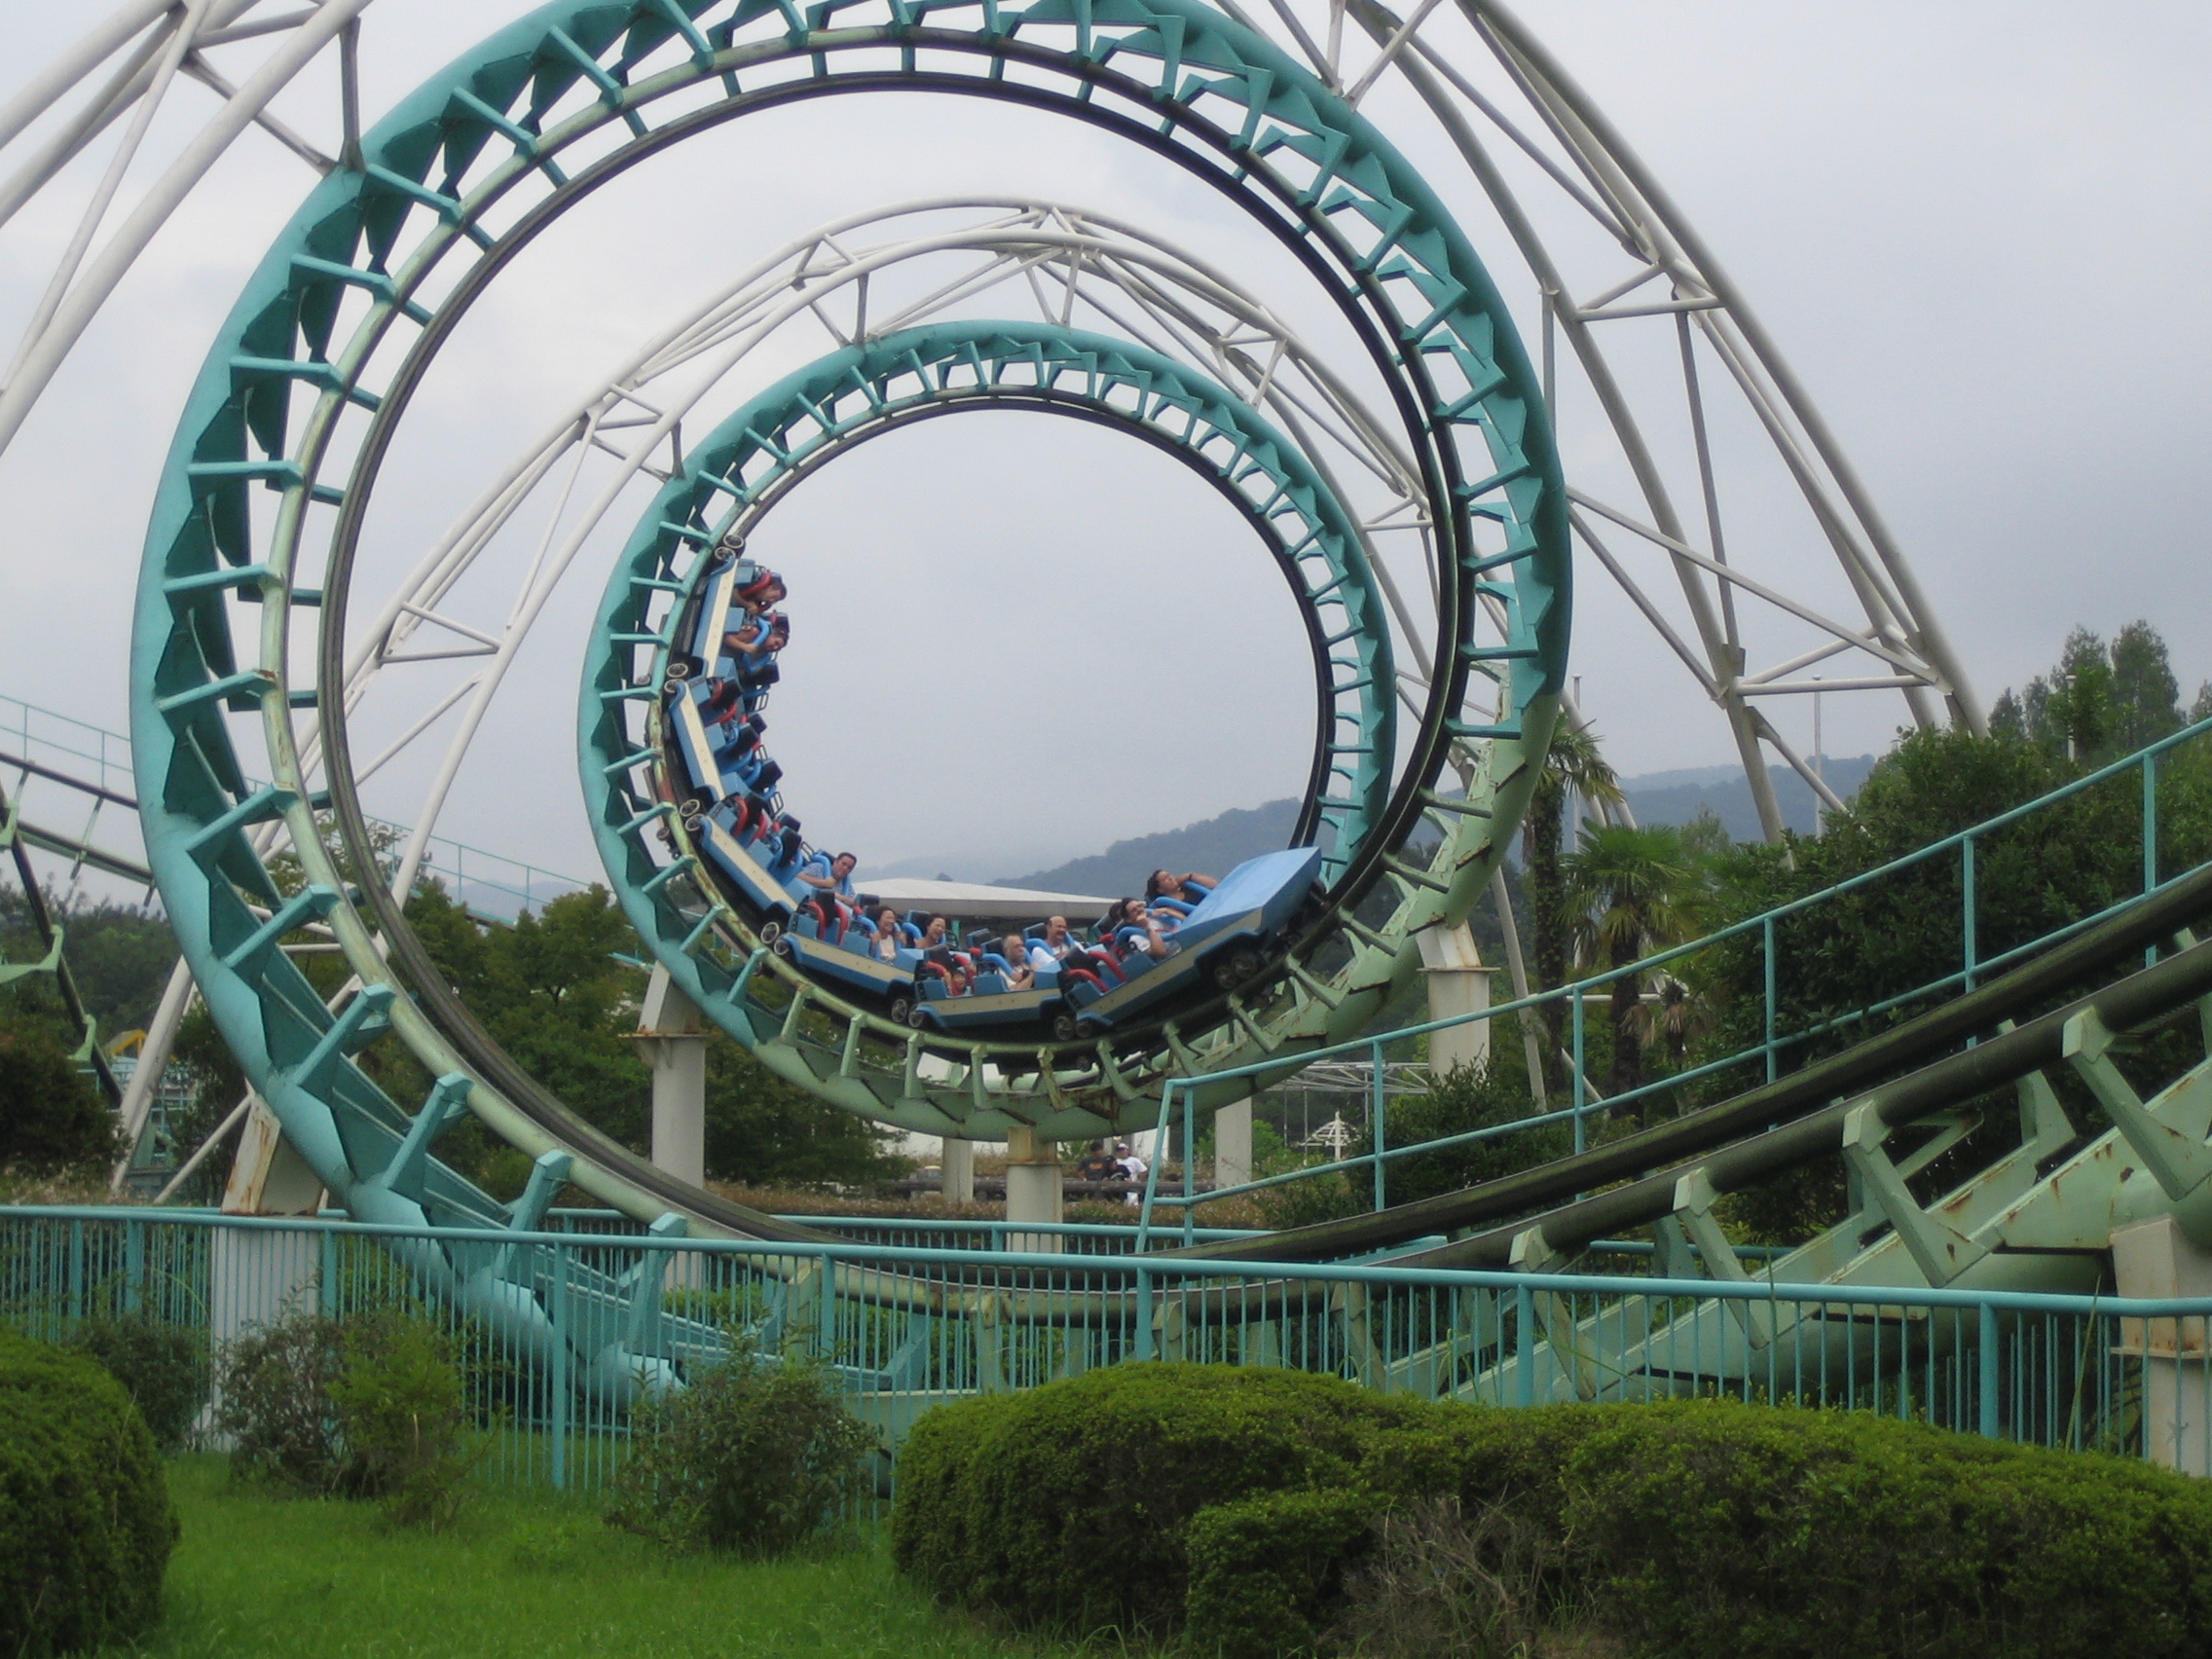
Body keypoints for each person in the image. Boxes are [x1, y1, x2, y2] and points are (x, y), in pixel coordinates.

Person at [795, 850, 856, 940]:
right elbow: (798, 876)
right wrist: (823, 883)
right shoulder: (819, 867)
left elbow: (851, 900)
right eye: (843, 864)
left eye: (849, 868)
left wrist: (844, 899)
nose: (845, 868)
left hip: (828, 916)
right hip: (804, 904)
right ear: (836, 862)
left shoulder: (846, 885)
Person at [1145, 868, 1216, 915]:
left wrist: (1190, 876)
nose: (1170, 878)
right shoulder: (1167, 906)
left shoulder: (1189, 887)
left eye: (1169, 875)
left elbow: (1215, 885)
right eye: (1165, 879)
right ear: (1160, 890)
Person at [1115, 1140, 1148, 1205]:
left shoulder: (1134, 1160)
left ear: (1127, 1151)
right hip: (1120, 1188)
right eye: (1119, 1150)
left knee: (1132, 1205)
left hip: (1131, 1188)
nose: (1121, 1152)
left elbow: (1144, 1170)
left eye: (1122, 1150)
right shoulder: (1116, 1161)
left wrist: (1139, 1182)